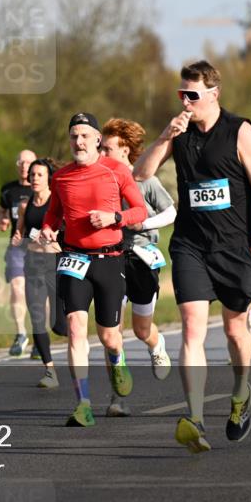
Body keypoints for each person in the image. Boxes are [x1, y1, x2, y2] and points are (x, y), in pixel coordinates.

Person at [134, 60, 251, 452]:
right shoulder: (179, 133)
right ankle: (195, 417)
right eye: (181, 94)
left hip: (235, 246)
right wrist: (164, 137)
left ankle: (241, 393)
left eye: (192, 94)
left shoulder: (239, 130)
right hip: (191, 245)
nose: (186, 101)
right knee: (193, 327)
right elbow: (140, 176)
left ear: (213, 94)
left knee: (234, 330)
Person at [38, 112, 148, 427]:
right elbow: (52, 215)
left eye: (85, 135)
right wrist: (48, 229)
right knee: (75, 331)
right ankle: (82, 403)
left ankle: (117, 361)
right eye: (74, 136)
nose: (79, 141)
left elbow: (139, 211)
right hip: (74, 259)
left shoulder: (116, 171)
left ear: (97, 139)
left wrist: (115, 217)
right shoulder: (61, 177)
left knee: (109, 337)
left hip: (110, 259)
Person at [100, 118, 175, 417]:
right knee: (111, 331)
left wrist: (142, 222)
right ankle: (117, 398)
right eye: (100, 147)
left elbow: (170, 211)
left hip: (142, 258)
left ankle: (157, 345)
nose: (102, 153)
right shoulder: (98, 180)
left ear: (125, 151)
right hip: (110, 257)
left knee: (141, 329)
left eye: (107, 148)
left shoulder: (145, 180)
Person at [11, 158, 63, 388]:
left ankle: (78, 345)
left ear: (48, 178)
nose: (34, 179)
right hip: (33, 263)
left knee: (60, 325)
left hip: (55, 263)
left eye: (39, 175)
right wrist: (17, 238)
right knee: (37, 319)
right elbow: (19, 233)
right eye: (32, 175)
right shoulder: (25, 205)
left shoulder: (58, 202)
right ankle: (49, 370)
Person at [0, 150, 37, 356]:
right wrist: (2, 220)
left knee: (39, 295)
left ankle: (40, 336)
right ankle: (21, 333)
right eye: (21, 162)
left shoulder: (43, 190)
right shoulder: (8, 190)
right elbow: (2, 209)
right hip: (16, 246)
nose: (24, 166)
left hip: (40, 248)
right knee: (17, 287)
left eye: (28, 163)